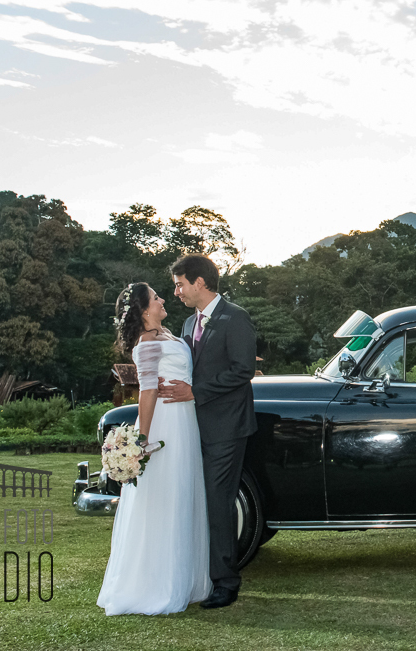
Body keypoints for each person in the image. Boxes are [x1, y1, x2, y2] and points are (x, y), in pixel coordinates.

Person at [97, 282, 212, 616]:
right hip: (166, 425)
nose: (163, 300)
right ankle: (155, 585)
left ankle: (186, 578)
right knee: (164, 498)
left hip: (185, 422)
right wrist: (141, 441)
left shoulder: (169, 335)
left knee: (183, 494)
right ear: (144, 309)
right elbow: (147, 392)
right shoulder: (146, 343)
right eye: (157, 298)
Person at [158, 254, 257, 610]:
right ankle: (202, 573)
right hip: (193, 429)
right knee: (197, 502)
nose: (177, 291)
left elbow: (243, 370)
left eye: (180, 283)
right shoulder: (187, 324)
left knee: (218, 503)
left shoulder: (236, 318)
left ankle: (226, 582)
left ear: (200, 282)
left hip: (228, 428)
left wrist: (195, 392)